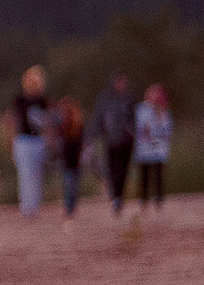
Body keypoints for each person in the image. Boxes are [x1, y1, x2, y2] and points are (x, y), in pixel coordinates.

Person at [93, 73, 138, 215]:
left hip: (126, 141)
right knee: (112, 169)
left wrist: (132, 133)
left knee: (123, 170)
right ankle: (115, 197)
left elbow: (134, 119)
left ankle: (119, 197)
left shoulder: (129, 99)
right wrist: (95, 134)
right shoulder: (105, 99)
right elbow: (99, 118)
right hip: (111, 141)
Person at [9, 67, 50, 217]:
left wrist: (49, 141)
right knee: (25, 174)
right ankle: (26, 207)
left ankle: (35, 206)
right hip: (23, 140)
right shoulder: (20, 100)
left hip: (38, 140)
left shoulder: (42, 101)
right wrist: (11, 140)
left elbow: (46, 122)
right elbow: (12, 120)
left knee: (36, 174)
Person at [133, 83, 173, 210]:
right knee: (144, 174)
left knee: (158, 174)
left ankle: (159, 199)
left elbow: (167, 129)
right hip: (144, 148)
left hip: (159, 148)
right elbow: (140, 127)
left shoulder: (164, 111)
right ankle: (143, 199)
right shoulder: (141, 109)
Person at [53, 93, 86, 223]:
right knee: (70, 183)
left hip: (74, 158)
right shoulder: (64, 124)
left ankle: (71, 206)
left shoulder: (76, 124)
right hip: (69, 158)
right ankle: (69, 207)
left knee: (72, 184)